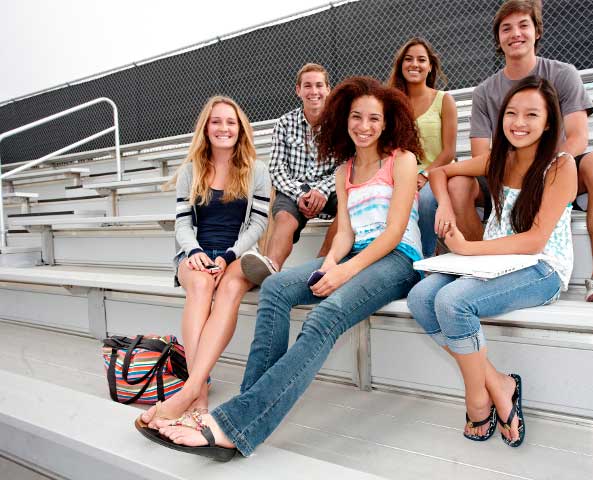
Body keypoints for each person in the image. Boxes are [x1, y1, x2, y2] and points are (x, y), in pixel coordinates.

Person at [138, 77, 424, 461]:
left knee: (325, 317)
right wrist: (332, 264)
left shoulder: (402, 160)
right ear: (344, 119)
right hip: (354, 253)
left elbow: (392, 234)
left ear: (388, 123)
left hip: (397, 259)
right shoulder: (345, 170)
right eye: (356, 116)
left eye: (374, 118)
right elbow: (345, 232)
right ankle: (240, 410)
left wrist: (342, 273)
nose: (364, 125)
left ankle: (233, 424)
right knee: (274, 289)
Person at [408, 76, 577, 448]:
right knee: (420, 298)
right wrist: (447, 208)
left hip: (540, 267)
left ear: (549, 122)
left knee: (453, 302)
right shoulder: (499, 159)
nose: (519, 122)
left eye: (532, 114)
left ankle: (477, 399)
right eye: (512, 113)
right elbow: (438, 171)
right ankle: (499, 383)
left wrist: (466, 248)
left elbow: (535, 239)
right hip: (492, 263)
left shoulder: (561, 166)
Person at [444, 0, 593, 302]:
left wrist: (540, 169)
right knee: (458, 182)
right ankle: (480, 268)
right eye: (506, 28)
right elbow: (481, 154)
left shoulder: (563, 73)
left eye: (523, 25)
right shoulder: (485, 91)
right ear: (498, 38)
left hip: (553, 169)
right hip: (506, 170)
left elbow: (578, 137)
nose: (516, 33)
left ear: (537, 31)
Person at [137, 96, 270, 427]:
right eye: (216, 121)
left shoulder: (257, 170)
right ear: (206, 128)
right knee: (199, 285)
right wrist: (195, 252)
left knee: (230, 288)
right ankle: (200, 391)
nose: (223, 128)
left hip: (236, 254)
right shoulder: (190, 170)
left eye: (230, 122)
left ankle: (191, 389)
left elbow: (258, 224)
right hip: (195, 251)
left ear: (240, 129)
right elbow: (183, 224)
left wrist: (228, 257)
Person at [240, 63, 339, 285]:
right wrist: (301, 194)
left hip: (330, 190)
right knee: (284, 216)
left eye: (319, 85)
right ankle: (270, 266)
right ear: (298, 90)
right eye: (307, 86)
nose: (314, 91)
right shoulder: (284, 123)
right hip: (295, 190)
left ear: (328, 89)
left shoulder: (340, 124)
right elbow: (276, 169)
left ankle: (321, 266)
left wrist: (321, 191)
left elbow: (346, 166)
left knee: (350, 204)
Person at [388, 37, 458, 258]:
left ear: (430, 67)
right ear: (401, 66)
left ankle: (426, 261)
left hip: (439, 172)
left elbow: (449, 151)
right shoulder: (393, 104)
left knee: (426, 201)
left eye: (421, 60)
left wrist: (425, 175)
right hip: (404, 173)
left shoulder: (444, 100)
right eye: (408, 59)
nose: (414, 64)